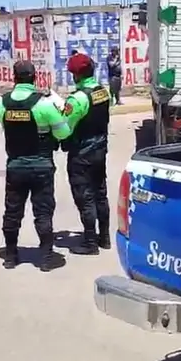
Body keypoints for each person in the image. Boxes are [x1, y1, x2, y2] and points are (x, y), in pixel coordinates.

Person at [0, 60, 72, 271]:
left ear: (14, 77)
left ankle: (10, 256)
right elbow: (63, 133)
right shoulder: (45, 104)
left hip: (15, 167)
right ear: (35, 77)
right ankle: (46, 258)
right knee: (43, 213)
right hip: (42, 167)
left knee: (12, 212)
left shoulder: (1, 103)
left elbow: (7, 127)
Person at [61, 53, 112, 255]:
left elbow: (66, 126)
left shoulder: (78, 98)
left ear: (76, 75)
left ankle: (90, 242)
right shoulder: (103, 91)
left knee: (85, 197)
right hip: (100, 150)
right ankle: (104, 238)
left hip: (82, 153)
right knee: (100, 194)